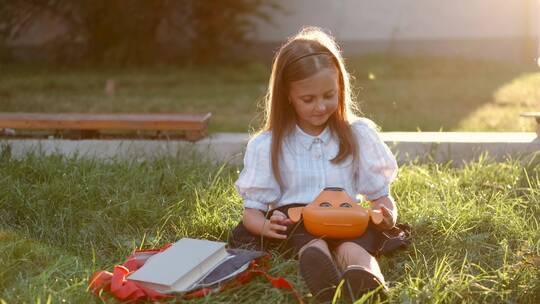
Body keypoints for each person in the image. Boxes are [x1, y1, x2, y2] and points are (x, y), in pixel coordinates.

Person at [228, 26, 398, 303]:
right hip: (298, 220)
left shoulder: (358, 135)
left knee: (354, 251)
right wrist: (266, 227)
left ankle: (368, 282)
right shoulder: (269, 145)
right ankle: (323, 281)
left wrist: (386, 212)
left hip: (347, 220)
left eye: (329, 95)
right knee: (311, 244)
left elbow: (381, 195)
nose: (320, 106)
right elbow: (252, 212)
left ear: (340, 88)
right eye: (308, 99)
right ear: (287, 95)